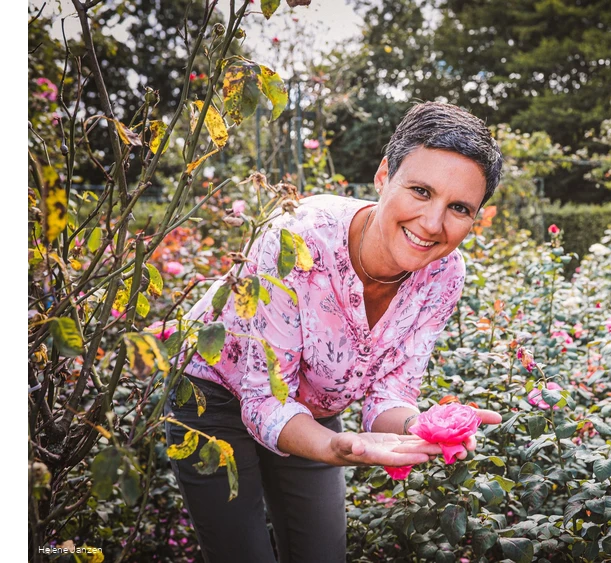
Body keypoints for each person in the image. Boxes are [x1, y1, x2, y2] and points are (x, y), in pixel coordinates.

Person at [164, 101, 504, 563]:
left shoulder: (444, 273)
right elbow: (263, 398)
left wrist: (422, 428)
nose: (432, 223)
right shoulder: (299, 238)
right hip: (212, 395)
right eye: (421, 190)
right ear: (384, 176)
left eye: (459, 208)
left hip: (309, 405)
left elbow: (392, 391)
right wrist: (333, 447)